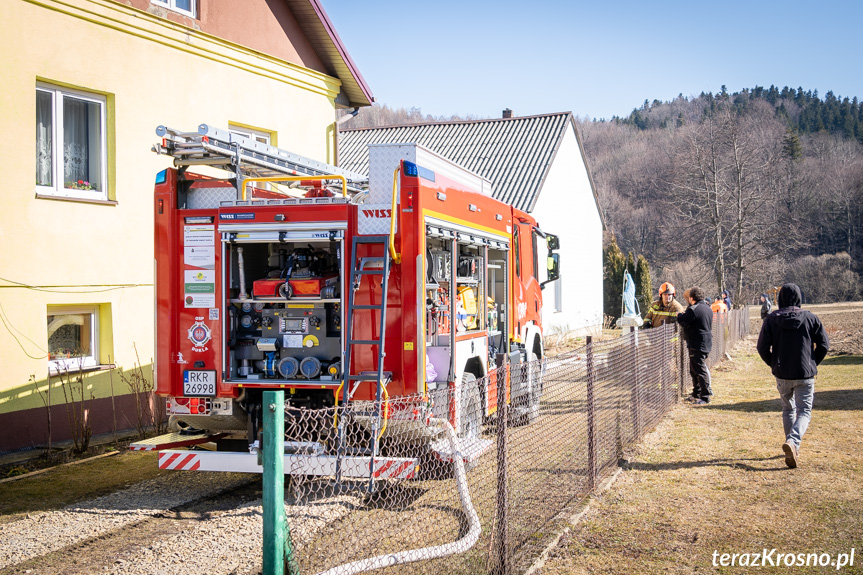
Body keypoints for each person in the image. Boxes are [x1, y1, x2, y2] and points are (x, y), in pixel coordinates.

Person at [756, 283, 829, 469]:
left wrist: (773, 363)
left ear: (780, 299)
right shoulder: (811, 318)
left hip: (782, 373)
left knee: (788, 410)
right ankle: (793, 443)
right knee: (804, 411)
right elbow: (824, 345)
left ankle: (792, 445)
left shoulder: (771, 319)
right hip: (805, 373)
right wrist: (813, 362)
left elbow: (762, 347)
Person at [677, 286, 713, 404]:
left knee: (699, 369)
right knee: (694, 369)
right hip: (706, 342)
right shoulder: (707, 308)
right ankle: (696, 393)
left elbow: (683, 321)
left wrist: (678, 316)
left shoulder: (693, 309)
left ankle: (705, 396)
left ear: (692, 298)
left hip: (696, 343)